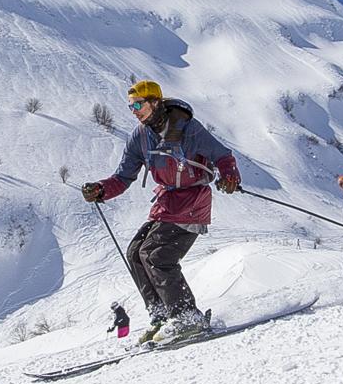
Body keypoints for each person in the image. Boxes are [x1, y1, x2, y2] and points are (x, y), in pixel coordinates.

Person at [80, 79, 241, 342]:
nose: (134, 110)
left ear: (155, 102)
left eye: (138, 105)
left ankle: (187, 317)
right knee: (135, 252)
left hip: (192, 201)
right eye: (131, 106)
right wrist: (101, 190)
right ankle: (161, 315)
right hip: (167, 201)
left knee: (156, 255)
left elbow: (222, 155)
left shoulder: (187, 128)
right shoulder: (140, 136)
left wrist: (229, 175)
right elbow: (122, 177)